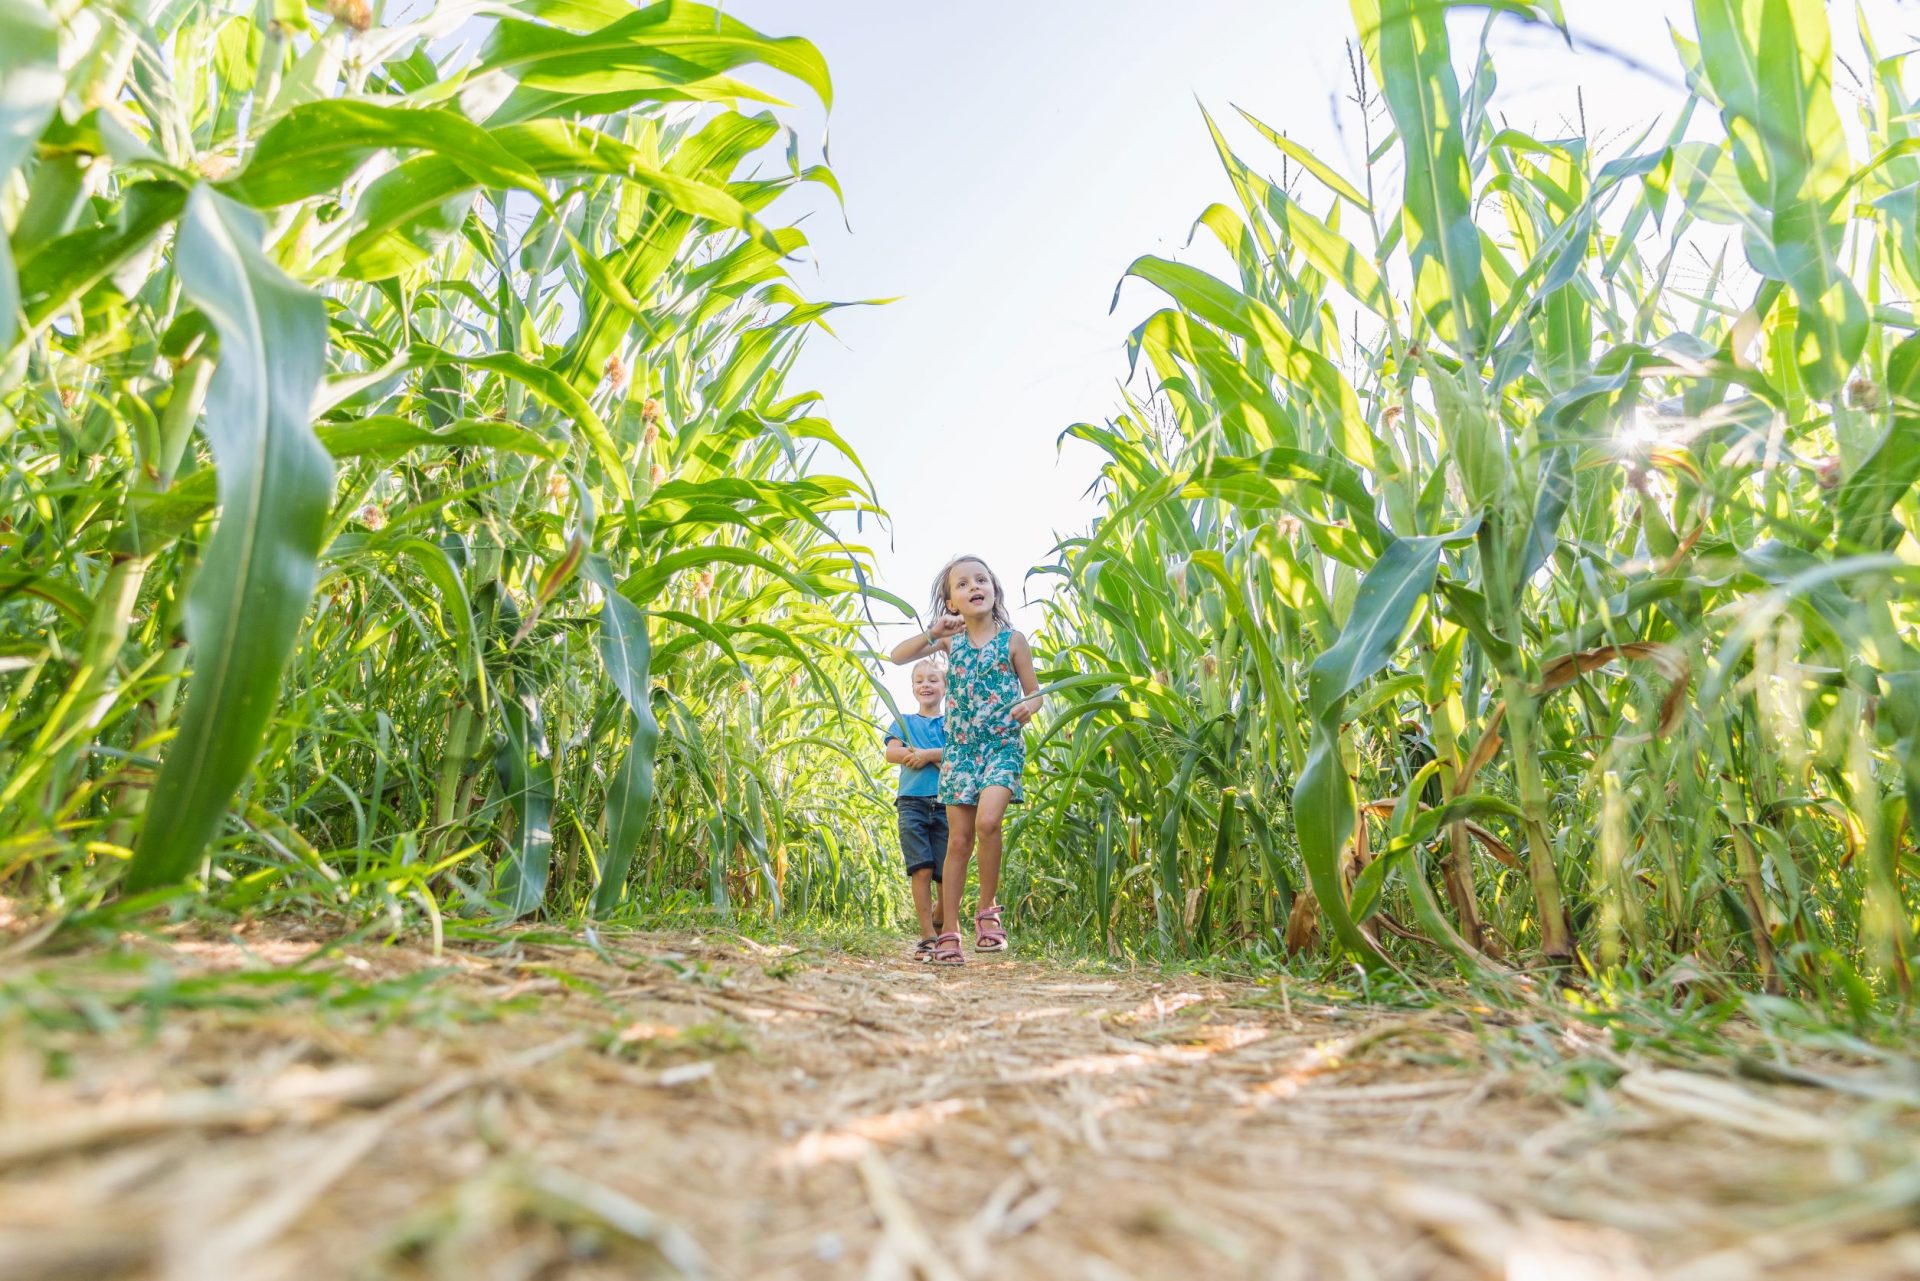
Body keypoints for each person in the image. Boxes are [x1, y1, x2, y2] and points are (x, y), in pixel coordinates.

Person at [888, 555, 1042, 966]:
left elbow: (1035, 691)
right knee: (958, 841)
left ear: (994, 590)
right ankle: (950, 931)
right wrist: (930, 633)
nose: (974, 586)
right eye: (962, 583)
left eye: (982, 579)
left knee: (989, 821)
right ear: (951, 602)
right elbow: (897, 657)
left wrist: (1031, 706)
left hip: (1001, 746)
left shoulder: (1013, 641)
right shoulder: (949, 642)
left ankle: (987, 909)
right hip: (961, 751)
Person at [884, 658, 948, 959]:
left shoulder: (952, 723)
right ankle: (927, 935)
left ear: (945, 687)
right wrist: (921, 755)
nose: (926, 684)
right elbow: (891, 752)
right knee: (921, 868)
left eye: (933, 680)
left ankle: (942, 917)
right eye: (920, 680)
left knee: (947, 873)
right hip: (912, 803)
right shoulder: (904, 721)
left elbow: (957, 757)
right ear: (912, 688)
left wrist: (928, 754)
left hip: (949, 803)